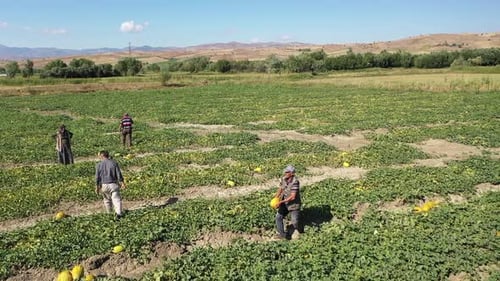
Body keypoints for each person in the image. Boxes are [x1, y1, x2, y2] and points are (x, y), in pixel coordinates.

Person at [95, 150, 126, 220]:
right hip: (113, 184)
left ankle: (109, 213)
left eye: (99, 156)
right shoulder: (114, 163)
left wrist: (97, 187)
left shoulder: (98, 165)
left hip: (104, 185)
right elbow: (118, 174)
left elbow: (97, 177)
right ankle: (118, 214)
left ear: (102, 156)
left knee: (107, 200)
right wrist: (122, 182)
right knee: (116, 199)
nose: (99, 157)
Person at [273, 165, 301, 240]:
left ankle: (296, 232)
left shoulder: (295, 182)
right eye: (285, 171)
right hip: (284, 203)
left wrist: (281, 201)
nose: (285, 173)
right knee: (278, 217)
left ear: (292, 173)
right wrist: (276, 198)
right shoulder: (283, 179)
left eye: (287, 172)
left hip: (293, 204)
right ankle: (282, 235)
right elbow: (281, 189)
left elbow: (293, 196)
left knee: (294, 221)